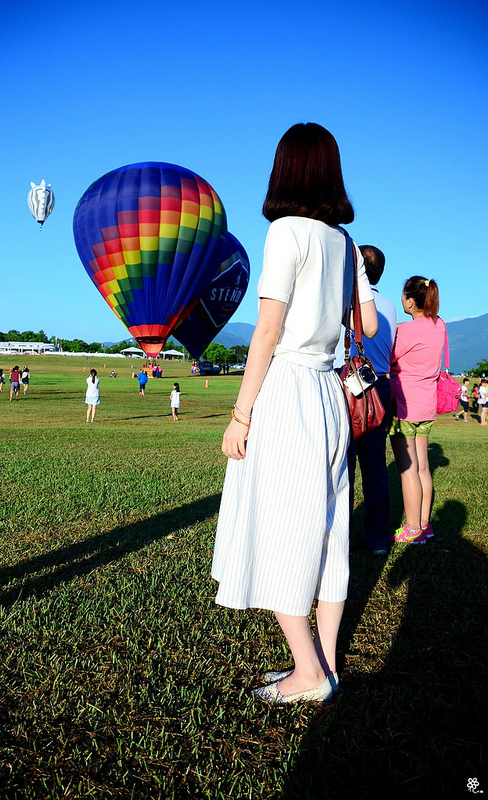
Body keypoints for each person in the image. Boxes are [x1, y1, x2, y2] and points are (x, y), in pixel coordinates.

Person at [211, 123, 378, 706]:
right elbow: (372, 325)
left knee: (283, 530)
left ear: (285, 169)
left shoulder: (285, 232)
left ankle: (307, 672)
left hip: (288, 390)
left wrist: (240, 414)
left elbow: (268, 328)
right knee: (331, 533)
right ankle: (326, 667)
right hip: (331, 395)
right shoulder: (345, 243)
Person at [389, 277, 446, 544]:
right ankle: (424, 524)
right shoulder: (440, 325)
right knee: (423, 466)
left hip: (404, 406)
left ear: (410, 301)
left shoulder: (407, 331)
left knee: (407, 468)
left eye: (403, 296)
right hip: (427, 405)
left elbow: (389, 357)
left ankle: (412, 530)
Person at [347, 246, 396, 555]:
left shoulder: (348, 302)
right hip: (382, 384)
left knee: (343, 466)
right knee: (375, 466)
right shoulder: (390, 307)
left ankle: (343, 536)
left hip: (352, 386)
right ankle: (378, 537)